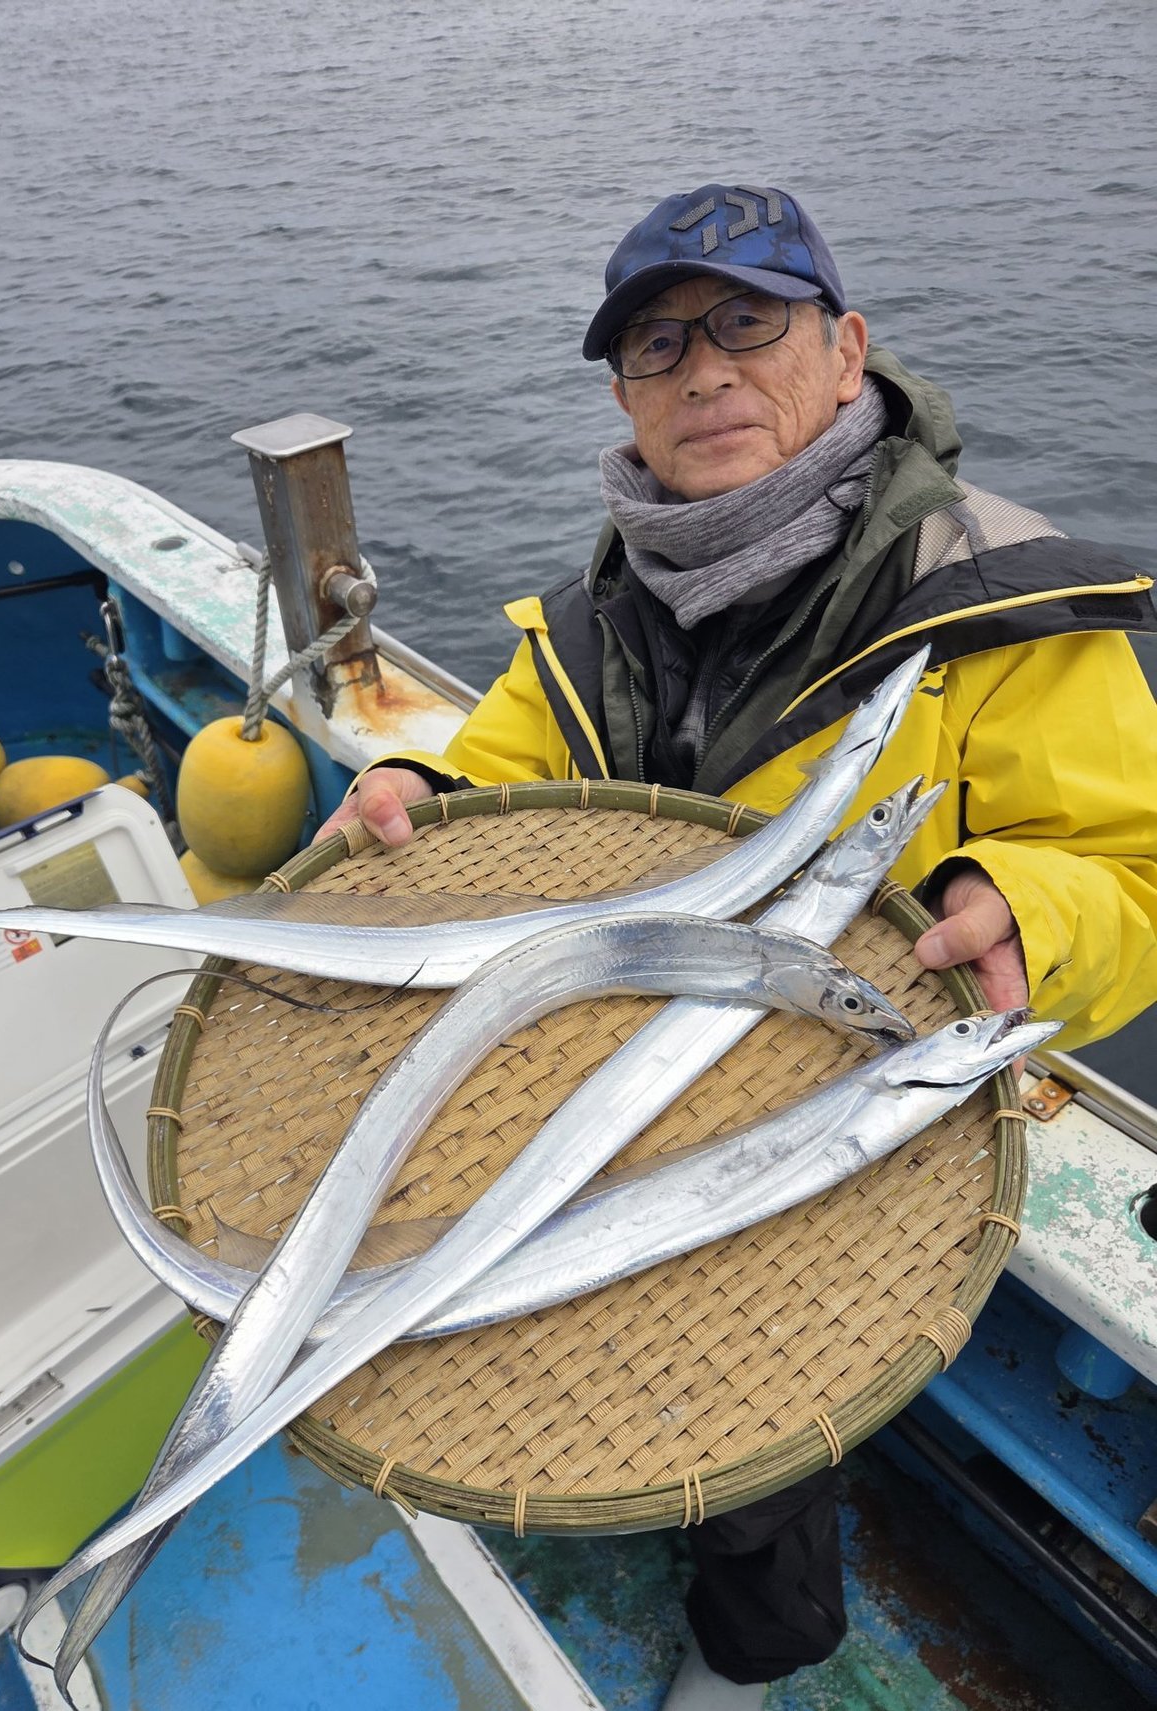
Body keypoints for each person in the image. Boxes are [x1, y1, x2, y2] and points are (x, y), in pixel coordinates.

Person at [314, 183, 1157, 1706]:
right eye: (657, 345)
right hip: (616, 1056)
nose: (703, 369)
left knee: (757, 1409)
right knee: (568, 1312)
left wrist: (1033, 912)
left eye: (747, 324)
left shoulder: (1000, 601)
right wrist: (424, 791)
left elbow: (1135, 872)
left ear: (847, 350)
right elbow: (515, 780)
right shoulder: (595, 611)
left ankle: (755, 1649)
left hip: (853, 1099)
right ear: (625, 399)